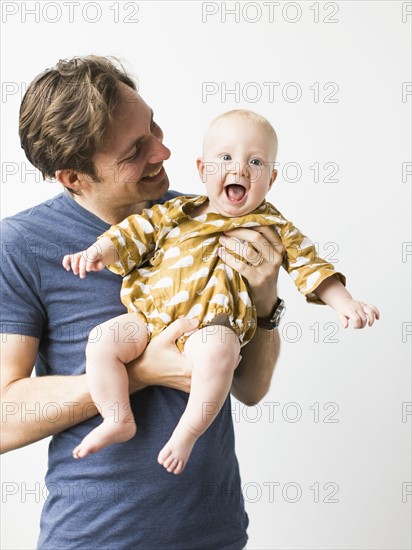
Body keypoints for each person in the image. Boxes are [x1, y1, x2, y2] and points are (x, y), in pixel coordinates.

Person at [0, 56, 284, 549]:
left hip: (215, 534)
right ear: (74, 177)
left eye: (152, 125)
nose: (164, 150)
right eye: (136, 149)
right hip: (97, 538)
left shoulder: (201, 219)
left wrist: (265, 302)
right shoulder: (22, 246)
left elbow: (252, 388)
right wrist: (140, 373)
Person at [62, 109, 379, 475]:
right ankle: (117, 418)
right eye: (225, 158)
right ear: (202, 169)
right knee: (103, 339)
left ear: (271, 180)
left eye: (255, 162)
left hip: (214, 324)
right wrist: (97, 252)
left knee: (218, 352)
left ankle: (188, 432)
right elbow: (132, 233)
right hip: (149, 322)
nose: (240, 169)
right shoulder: (175, 212)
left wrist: (344, 302)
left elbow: (311, 264)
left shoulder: (272, 226)